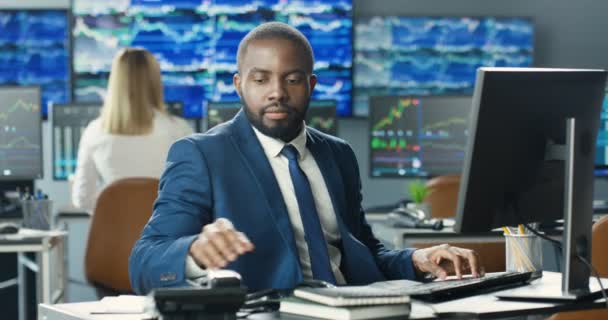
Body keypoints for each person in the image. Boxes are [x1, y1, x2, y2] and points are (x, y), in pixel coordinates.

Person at [129, 22, 482, 294]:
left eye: (292, 80)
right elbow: (144, 261)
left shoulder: (338, 155)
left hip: (357, 308)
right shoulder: (201, 155)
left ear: (311, 85)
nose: (277, 93)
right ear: (239, 84)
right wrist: (193, 252)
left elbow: (362, 251)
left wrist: (417, 259)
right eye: (261, 79)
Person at [72, 48, 193, 211]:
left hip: (114, 234)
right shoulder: (180, 130)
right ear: (156, 81)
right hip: (166, 234)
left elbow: (83, 198)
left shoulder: (94, 132)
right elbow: (193, 194)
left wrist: (119, 211)